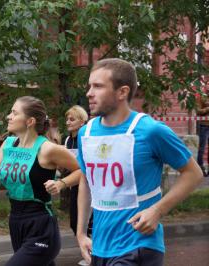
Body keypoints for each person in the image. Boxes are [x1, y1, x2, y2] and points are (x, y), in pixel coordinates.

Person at [76, 58, 204, 266]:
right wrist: (81, 234)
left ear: (122, 92)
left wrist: (157, 210)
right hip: (100, 246)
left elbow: (193, 173)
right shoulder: (86, 132)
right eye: (89, 86)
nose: (89, 93)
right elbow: (86, 180)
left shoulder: (150, 130)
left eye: (98, 86)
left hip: (139, 244)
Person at [0, 96, 80, 266]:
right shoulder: (8, 144)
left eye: (14, 113)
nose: (8, 117)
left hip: (41, 224)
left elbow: (82, 170)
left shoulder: (47, 149)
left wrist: (61, 183)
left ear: (30, 121)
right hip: (16, 221)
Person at [62, 105, 91, 266]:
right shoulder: (67, 140)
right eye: (67, 119)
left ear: (82, 122)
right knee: (75, 220)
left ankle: (93, 253)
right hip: (74, 186)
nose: (68, 122)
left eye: (72, 119)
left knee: (89, 219)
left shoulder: (85, 137)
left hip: (86, 184)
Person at [196, 85, 209, 176]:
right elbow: (198, 111)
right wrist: (207, 108)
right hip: (204, 125)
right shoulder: (202, 98)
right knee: (202, 148)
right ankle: (200, 168)